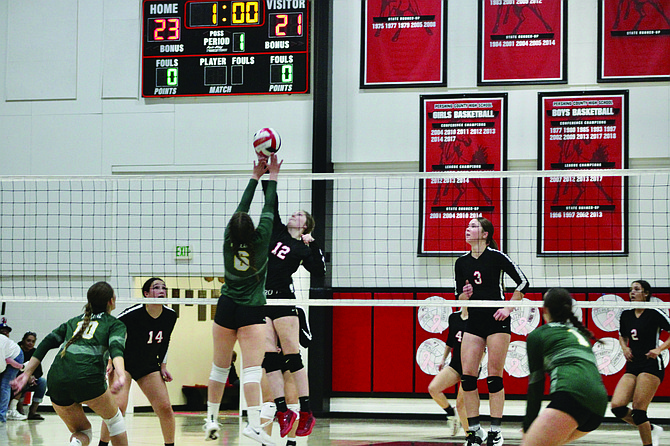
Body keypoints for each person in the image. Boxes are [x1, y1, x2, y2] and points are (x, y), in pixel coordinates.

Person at [203, 154, 282, 445]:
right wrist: (272, 176)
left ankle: (210, 418)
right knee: (250, 370)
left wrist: (255, 176)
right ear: (251, 229)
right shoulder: (261, 239)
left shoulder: (227, 239)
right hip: (251, 310)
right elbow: (269, 208)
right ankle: (252, 424)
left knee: (218, 368)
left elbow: (241, 209)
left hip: (226, 308)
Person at [11, 281, 129, 446]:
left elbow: (45, 344)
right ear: (111, 301)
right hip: (88, 379)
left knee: (82, 431)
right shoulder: (114, 324)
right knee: (115, 421)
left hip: (57, 381)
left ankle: (76, 443)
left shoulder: (72, 322)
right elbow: (117, 349)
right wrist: (121, 375)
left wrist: (26, 373)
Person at [260, 178, 326, 438]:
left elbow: (319, 270)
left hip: (284, 300)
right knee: (268, 358)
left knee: (292, 356)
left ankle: (307, 411)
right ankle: (282, 410)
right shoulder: (276, 231)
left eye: (299, 214)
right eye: (294, 212)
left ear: (306, 225)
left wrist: (313, 244)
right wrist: (268, 174)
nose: (293, 214)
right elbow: (270, 201)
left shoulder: (302, 247)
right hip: (263, 300)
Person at [455, 217, 529, 446]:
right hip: (474, 320)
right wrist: (464, 295)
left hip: (497, 320)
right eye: (467, 226)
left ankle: (496, 431)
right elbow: (459, 295)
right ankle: (474, 432)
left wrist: (508, 308)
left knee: (494, 378)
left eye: (474, 226)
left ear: (486, 234)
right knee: (468, 377)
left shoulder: (497, 257)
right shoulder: (461, 262)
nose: (468, 229)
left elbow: (523, 283)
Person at [522, 288, 607, 446]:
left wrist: (528, 426)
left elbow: (536, 384)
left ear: (545, 310)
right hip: (600, 402)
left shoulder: (538, 335)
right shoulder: (579, 334)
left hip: (572, 394)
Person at [98, 277, 178, 446]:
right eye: (156, 287)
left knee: (165, 408)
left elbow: (166, 341)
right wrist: (110, 360)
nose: (162, 290)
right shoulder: (131, 314)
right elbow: (112, 334)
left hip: (148, 365)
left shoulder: (171, 315)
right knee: (117, 408)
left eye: (164, 287)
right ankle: (102, 444)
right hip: (124, 364)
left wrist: (163, 366)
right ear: (146, 294)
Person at [610, 280, 670, 446]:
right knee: (617, 407)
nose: (632, 293)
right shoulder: (626, 315)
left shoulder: (654, 313)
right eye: (631, 290)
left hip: (651, 364)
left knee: (638, 410)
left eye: (636, 289)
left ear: (646, 294)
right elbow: (622, 335)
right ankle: (651, 428)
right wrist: (624, 347)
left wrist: (659, 349)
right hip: (633, 364)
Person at [427, 307, 469, 437]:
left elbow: (483, 345)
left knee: (461, 404)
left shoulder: (477, 317)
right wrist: (443, 359)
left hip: (469, 367)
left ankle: (470, 436)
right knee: (433, 388)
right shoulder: (454, 317)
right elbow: (450, 339)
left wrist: (476, 366)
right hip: (455, 364)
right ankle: (451, 414)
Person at [10, 331, 47, 420]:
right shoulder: (16, 350)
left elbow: (39, 371)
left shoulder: (35, 352)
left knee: (43, 382)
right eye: (28, 341)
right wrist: (26, 376)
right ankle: (19, 409)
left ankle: (32, 412)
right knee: (23, 381)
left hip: (31, 378)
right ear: (23, 340)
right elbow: (13, 368)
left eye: (33, 341)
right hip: (16, 378)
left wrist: (33, 377)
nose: (31, 343)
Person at [0, 320, 24, 423]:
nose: (5, 332)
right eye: (2, 331)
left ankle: (1, 417)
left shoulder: (1, 343)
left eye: (7, 331)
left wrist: (18, 365)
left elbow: (1, 367)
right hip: (6, 358)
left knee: (4, 385)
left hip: (16, 355)